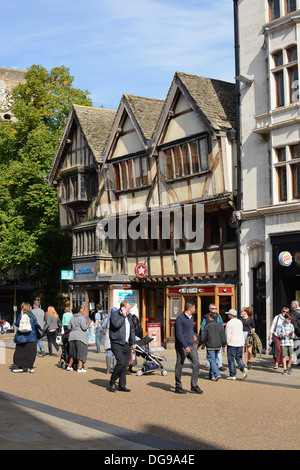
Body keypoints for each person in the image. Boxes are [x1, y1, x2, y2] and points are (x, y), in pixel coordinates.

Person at [107, 300, 137, 392]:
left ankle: (122, 385)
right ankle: (112, 381)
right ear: (123, 308)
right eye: (128, 309)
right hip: (116, 342)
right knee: (120, 362)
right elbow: (116, 325)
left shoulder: (129, 316)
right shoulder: (115, 315)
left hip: (126, 343)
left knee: (125, 365)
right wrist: (123, 316)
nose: (129, 310)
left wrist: (134, 342)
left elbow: (131, 329)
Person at [174, 299, 203, 394]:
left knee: (196, 364)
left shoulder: (191, 318)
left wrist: (194, 334)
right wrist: (185, 346)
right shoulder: (180, 319)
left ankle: (194, 385)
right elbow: (179, 334)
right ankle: (178, 386)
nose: (195, 309)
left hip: (191, 345)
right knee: (179, 365)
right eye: (195, 308)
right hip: (182, 346)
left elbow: (189, 330)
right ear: (191, 309)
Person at [198, 313, 226, 381]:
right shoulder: (220, 326)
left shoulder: (207, 326)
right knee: (213, 361)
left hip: (210, 345)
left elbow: (203, 337)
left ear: (210, 317)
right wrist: (223, 346)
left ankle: (217, 374)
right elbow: (223, 337)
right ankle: (212, 375)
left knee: (212, 360)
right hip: (218, 345)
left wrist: (199, 344)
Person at [12, 302, 38, 373]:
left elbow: (17, 324)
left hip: (22, 337)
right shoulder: (32, 316)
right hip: (32, 337)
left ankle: (19, 365)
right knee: (30, 352)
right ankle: (30, 366)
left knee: (20, 352)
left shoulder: (21, 315)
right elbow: (36, 324)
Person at [67, 305, 92, 373]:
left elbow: (69, 327)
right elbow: (84, 327)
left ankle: (69, 366)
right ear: (80, 311)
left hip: (72, 336)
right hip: (80, 337)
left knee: (72, 352)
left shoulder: (72, 317)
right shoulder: (81, 318)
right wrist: (88, 323)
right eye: (83, 310)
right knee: (81, 352)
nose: (84, 311)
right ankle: (80, 367)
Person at [225, 308, 248, 380]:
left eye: (228, 314)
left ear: (231, 315)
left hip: (232, 343)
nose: (228, 315)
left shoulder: (229, 323)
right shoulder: (239, 322)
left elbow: (228, 334)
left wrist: (227, 342)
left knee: (231, 359)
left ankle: (232, 374)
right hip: (240, 342)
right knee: (239, 358)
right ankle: (243, 368)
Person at [102, 308, 117, 374]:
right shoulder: (117, 318)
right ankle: (114, 368)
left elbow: (103, 326)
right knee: (114, 354)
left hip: (108, 337)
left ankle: (108, 369)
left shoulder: (107, 318)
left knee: (109, 352)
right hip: (116, 337)